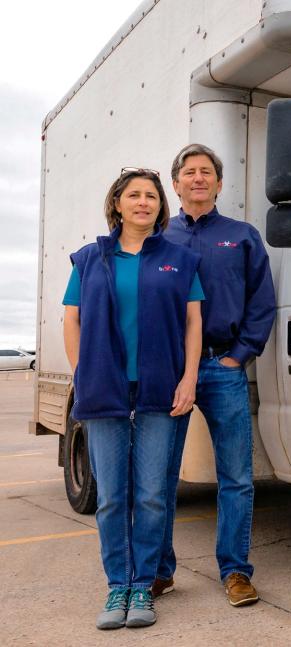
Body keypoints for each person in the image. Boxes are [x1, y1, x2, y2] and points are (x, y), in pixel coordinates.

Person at [62, 168, 204, 629]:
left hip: (160, 388)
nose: (143, 202)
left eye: (151, 196)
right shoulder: (89, 259)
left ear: (161, 206)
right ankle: (117, 585)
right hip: (105, 388)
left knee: (151, 495)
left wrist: (188, 380)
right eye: (134, 195)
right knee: (110, 498)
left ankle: (143, 585)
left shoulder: (179, 259)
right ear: (117, 204)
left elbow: (192, 323)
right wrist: (83, 374)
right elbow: (72, 319)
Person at [157, 143, 276, 607]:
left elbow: (262, 300)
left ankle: (235, 572)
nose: (199, 178)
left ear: (220, 183)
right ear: (176, 183)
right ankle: (160, 571)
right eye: (189, 172)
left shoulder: (242, 235)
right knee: (160, 476)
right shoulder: (158, 236)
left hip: (224, 366)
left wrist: (238, 356)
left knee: (236, 477)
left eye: (207, 172)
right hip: (169, 373)